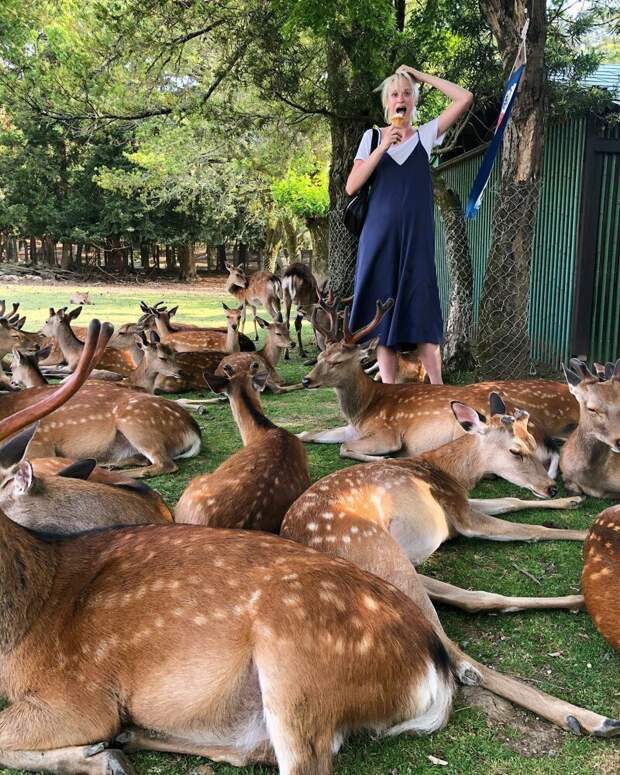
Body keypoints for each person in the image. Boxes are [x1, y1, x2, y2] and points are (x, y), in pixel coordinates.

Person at [345, 66, 473, 384]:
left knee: (422, 308)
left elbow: (464, 97)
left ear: (413, 101)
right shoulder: (372, 137)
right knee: (383, 316)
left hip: (416, 241)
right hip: (380, 240)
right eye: (394, 94)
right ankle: (389, 393)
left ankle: (438, 389)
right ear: (387, 104)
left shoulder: (426, 135)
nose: (400, 98)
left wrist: (420, 76)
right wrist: (383, 146)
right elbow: (352, 186)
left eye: (406, 93)